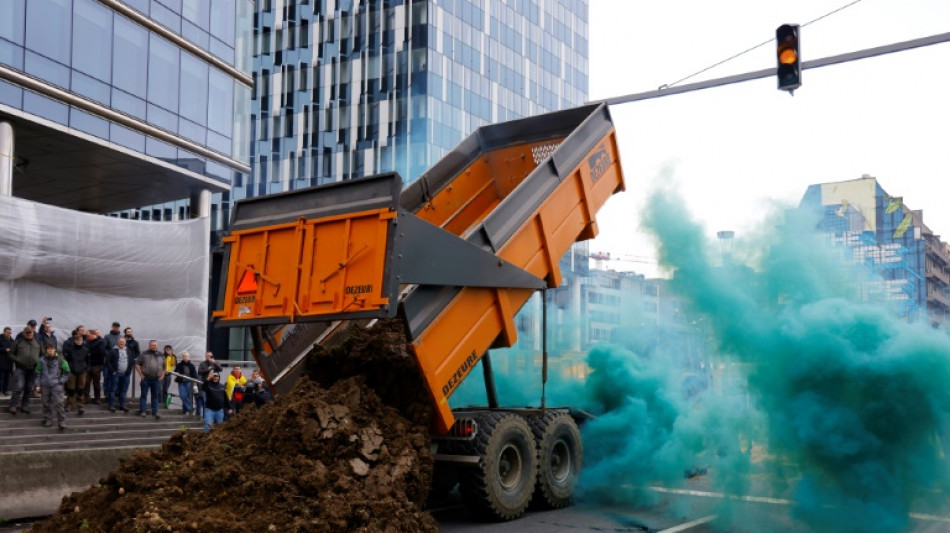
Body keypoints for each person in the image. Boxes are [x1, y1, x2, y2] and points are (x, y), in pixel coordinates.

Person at [35, 343, 70, 429]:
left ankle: (62, 421)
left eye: (52, 349)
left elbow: (67, 371)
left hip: (56, 385)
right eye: (48, 349)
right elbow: (37, 373)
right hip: (45, 385)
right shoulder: (41, 360)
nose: (50, 351)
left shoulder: (60, 360)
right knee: (46, 403)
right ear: (46, 350)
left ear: (55, 350)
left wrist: (61, 381)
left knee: (59, 403)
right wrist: (37, 384)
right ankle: (48, 419)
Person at [8, 327, 41, 415]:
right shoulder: (18, 342)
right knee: (18, 386)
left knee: (29, 388)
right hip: (20, 368)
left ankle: (25, 406)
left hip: (33, 369)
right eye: (27, 333)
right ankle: (12, 405)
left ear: (33, 333)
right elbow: (10, 353)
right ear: (24, 333)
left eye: (30, 333)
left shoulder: (37, 342)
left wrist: (38, 362)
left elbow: (43, 353)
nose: (29, 334)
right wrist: (17, 360)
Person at [62, 332, 90, 416]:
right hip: (72, 371)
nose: (79, 342)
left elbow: (88, 361)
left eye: (80, 340)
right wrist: (68, 369)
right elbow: (66, 360)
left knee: (81, 389)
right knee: (71, 389)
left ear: (82, 341)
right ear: (74, 341)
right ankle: (69, 405)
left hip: (82, 371)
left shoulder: (86, 350)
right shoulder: (70, 349)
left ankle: (80, 406)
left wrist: (86, 369)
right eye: (77, 340)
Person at [136, 340, 165, 420]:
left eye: (155, 345)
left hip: (156, 379)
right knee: (144, 395)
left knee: (155, 396)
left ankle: (155, 412)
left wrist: (162, 375)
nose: (154, 346)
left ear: (157, 346)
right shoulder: (144, 353)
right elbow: (137, 364)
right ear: (149, 345)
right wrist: (141, 374)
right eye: (152, 345)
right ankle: (143, 411)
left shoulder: (160, 354)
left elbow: (164, 367)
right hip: (146, 378)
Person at [105, 337, 135, 413]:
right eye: (120, 341)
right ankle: (111, 405)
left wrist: (128, 371)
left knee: (123, 390)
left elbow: (131, 361)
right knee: (113, 390)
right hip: (116, 374)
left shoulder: (128, 351)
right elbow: (108, 362)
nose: (121, 343)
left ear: (125, 343)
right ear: (117, 342)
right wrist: (112, 371)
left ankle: (122, 405)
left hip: (125, 374)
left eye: (123, 342)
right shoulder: (113, 351)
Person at [196, 351, 222, 418]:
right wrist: (208, 370)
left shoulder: (215, 362)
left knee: (214, 400)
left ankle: (213, 416)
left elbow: (220, 369)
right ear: (205, 356)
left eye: (210, 355)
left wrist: (214, 362)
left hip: (214, 385)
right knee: (205, 401)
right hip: (206, 384)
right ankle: (205, 416)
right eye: (207, 355)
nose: (209, 357)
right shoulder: (202, 363)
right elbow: (199, 372)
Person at [84, 329, 107, 405]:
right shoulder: (87, 341)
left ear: (93, 334)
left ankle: (97, 398)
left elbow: (101, 352)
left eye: (88, 335)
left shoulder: (100, 342)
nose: (87, 337)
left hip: (97, 365)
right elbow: (85, 351)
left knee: (96, 383)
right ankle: (86, 398)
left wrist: (90, 353)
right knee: (86, 382)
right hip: (88, 365)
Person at [102, 322, 122, 406]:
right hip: (109, 361)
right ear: (112, 327)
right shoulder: (107, 337)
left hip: (118, 361)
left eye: (118, 327)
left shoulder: (121, 337)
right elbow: (104, 348)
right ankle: (106, 393)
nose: (116, 328)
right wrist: (109, 356)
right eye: (115, 326)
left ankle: (116, 393)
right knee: (107, 377)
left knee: (117, 378)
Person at [173, 351, 198, 415]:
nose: (185, 357)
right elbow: (176, 371)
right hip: (181, 382)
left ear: (188, 357)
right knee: (182, 395)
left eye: (186, 356)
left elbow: (194, 375)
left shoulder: (191, 365)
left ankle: (185, 410)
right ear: (182, 357)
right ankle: (190, 408)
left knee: (188, 396)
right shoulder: (179, 364)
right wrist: (178, 373)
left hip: (189, 382)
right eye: (184, 356)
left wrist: (195, 384)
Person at [0, 327, 13, 395]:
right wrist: (5, 350)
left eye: (10, 333)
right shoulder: (0, 339)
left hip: (9, 362)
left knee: (7, 378)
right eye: (8, 333)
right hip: (1, 362)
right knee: (1, 377)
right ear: (4, 332)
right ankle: (1, 391)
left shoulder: (11, 340)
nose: (9, 334)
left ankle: (5, 390)